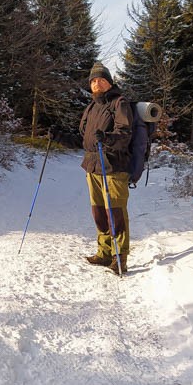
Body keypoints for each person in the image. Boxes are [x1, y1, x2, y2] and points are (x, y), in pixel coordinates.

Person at [79, 62, 133, 273]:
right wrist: (59, 137)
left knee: (115, 213)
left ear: (109, 82)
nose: (96, 83)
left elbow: (124, 134)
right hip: (93, 166)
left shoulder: (119, 103)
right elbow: (84, 139)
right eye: (93, 81)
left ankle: (119, 258)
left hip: (113, 166)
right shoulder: (92, 107)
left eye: (101, 79)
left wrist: (107, 138)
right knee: (99, 212)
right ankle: (104, 253)